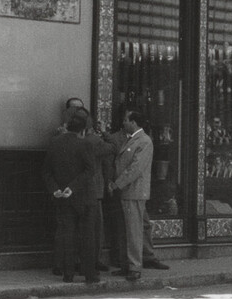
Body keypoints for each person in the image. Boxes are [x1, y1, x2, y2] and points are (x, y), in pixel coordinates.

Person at [42, 105, 102, 285]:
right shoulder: (86, 144)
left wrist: (56, 189)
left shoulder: (54, 143)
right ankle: (89, 275)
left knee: (67, 235)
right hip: (84, 197)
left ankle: (68, 274)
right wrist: (73, 187)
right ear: (83, 128)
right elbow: (90, 170)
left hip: (62, 198)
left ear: (67, 125)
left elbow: (46, 171)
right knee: (87, 236)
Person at [111, 105, 154, 283]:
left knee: (134, 230)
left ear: (134, 122)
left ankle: (135, 266)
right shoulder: (132, 140)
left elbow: (135, 168)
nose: (123, 123)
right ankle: (127, 264)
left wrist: (117, 184)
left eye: (126, 120)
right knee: (127, 230)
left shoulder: (144, 141)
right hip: (127, 192)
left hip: (134, 192)